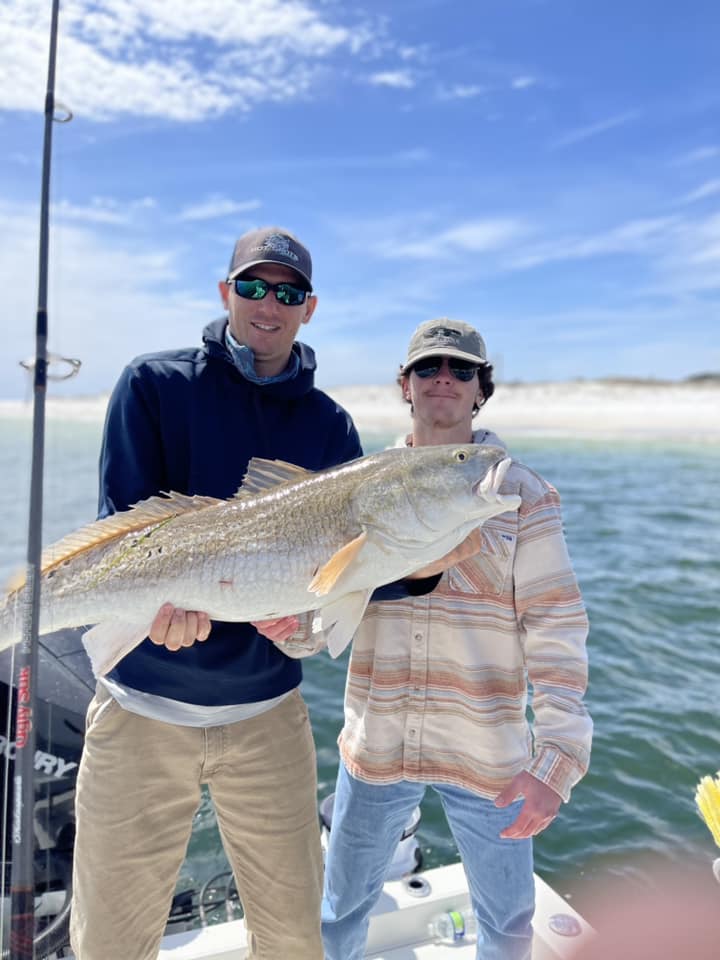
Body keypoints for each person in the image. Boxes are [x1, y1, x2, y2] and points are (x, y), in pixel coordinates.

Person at [69, 227, 441, 960]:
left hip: (269, 720)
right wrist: (145, 616)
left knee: (294, 940)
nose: (268, 304)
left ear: (310, 308)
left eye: (288, 292)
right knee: (110, 943)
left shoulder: (329, 424)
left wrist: (308, 630)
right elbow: (122, 535)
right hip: (141, 710)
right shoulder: (153, 383)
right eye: (253, 286)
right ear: (224, 292)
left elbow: (343, 581)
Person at [269, 318, 593, 960]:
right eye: (428, 367)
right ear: (405, 387)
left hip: (489, 754)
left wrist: (556, 761)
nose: (444, 378)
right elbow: (328, 604)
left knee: (506, 924)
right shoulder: (355, 484)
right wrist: (293, 629)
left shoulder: (524, 494)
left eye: (461, 369)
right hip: (377, 742)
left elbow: (555, 625)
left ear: (480, 391)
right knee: (337, 916)